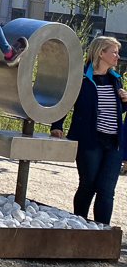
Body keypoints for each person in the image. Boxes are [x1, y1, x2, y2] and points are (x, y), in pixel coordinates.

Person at [50, 36, 127, 225]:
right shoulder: (81, 77)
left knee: (106, 190)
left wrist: (125, 101)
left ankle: (102, 231)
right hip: (90, 141)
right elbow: (66, 101)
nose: (118, 56)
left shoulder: (115, 79)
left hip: (114, 144)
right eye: (114, 52)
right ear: (101, 53)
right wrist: (57, 125)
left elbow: (116, 110)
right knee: (88, 185)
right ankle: (80, 224)